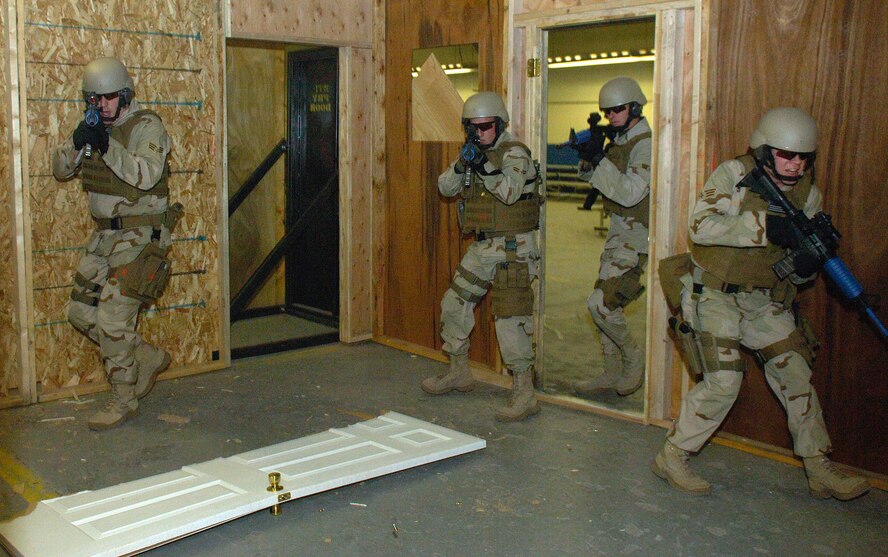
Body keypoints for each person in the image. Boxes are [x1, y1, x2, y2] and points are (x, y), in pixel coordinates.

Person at [651, 107, 870, 500]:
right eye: (786, 155)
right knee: (724, 381)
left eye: (803, 157)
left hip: (762, 298)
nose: (795, 164)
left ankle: (818, 465)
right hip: (714, 293)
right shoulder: (735, 175)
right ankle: (674, 454)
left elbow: (798, 271)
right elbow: (699, 226)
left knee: (796, 372)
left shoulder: (807, 193)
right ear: (765, 152)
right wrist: (765, 227)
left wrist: (803, 266)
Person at [52, 57, 177, 431]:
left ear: (124, 95)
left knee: (110, 317)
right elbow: (60, 170)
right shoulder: (94, 126)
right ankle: (145, 355)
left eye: (108, 99)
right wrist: (78, 143)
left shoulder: (147, 126)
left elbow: (146, 174)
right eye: (94, 99)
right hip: (105, 236)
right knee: (79, 312)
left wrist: (106, 146)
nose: (101, 106)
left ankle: (124, 399)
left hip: (140, 236)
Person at [421, 92, 542, 422]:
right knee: (453, 304)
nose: (479, 133)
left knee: (509, 319)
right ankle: (459, 371)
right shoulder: (473, 153)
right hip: (483, 247)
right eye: (471, 128)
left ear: (500, 124)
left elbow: (509, 193)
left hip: (514, 248)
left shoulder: (515, 154)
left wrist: (483, 164)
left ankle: (524, 391)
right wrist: (463, 163)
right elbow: (445, 187)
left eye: (485, 126)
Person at [573, 76, 652, 397]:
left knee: (602, 304)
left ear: (634, 106)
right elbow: (598, 181)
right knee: (603, 299)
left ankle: (633, 359)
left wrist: (600, 159)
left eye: (617, 109)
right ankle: (611, 370)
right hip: (619, 233)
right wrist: (588, 158)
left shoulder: (645, 143)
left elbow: (631, 193)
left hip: (637, 235)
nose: (611, 116)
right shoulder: (620, 140)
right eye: (607, 112)